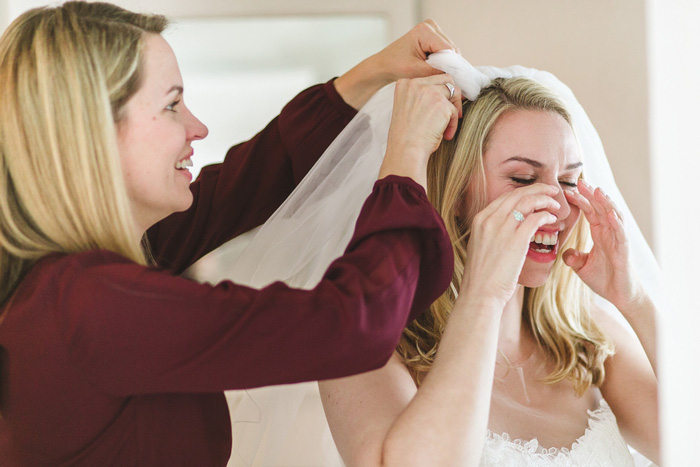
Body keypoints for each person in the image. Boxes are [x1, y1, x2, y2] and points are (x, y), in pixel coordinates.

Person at [0, 1, 464, 465]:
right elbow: (350, 321)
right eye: (171, 104)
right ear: (92, 133)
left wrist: (373, 72)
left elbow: (249, 180)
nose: (197, 127)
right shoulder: (92, 304)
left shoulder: (65, 280)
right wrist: (405, 154)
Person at [316, 55, 660, 466]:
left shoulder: (589, 338)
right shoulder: (365, 349)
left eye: (569, 181)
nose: (558, 208)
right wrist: (485, 294)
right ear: (457, 192)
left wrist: (634, 300)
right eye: (522, 179)